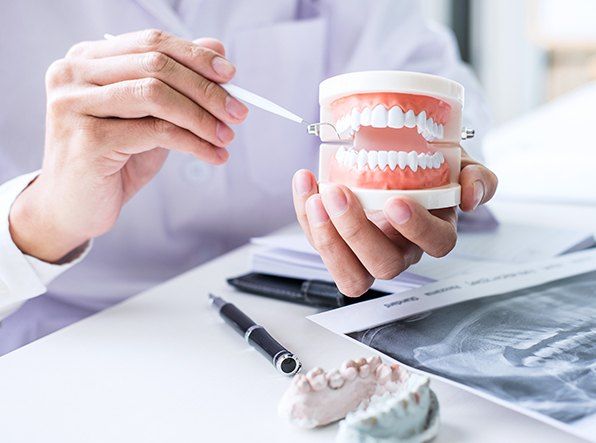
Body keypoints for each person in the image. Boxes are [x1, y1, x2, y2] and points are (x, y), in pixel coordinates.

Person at [0, 0, 497, 355]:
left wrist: (437, 171)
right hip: (63, 347)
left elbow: (434, 85)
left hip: (300, 322)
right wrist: (43, 218)